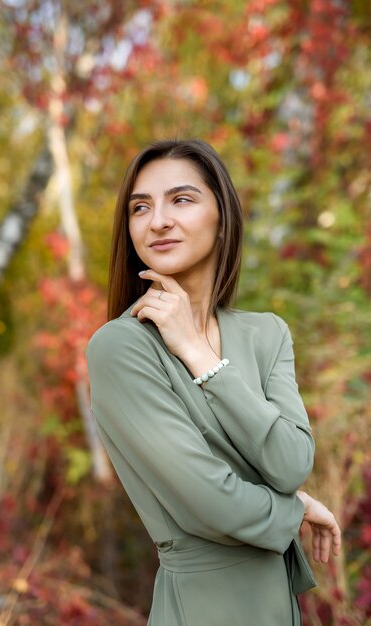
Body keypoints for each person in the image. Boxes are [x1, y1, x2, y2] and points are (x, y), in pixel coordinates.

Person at [86, 139, 341, 626]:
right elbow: (209, 503)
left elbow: (290, 463)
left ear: (223, 216)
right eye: (141, 207)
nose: (157, 219)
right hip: (204, 606)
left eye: (181, 199)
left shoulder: (267, 332)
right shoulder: (120, 348)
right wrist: (297, 510)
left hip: (277, 604)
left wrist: (200, 355)